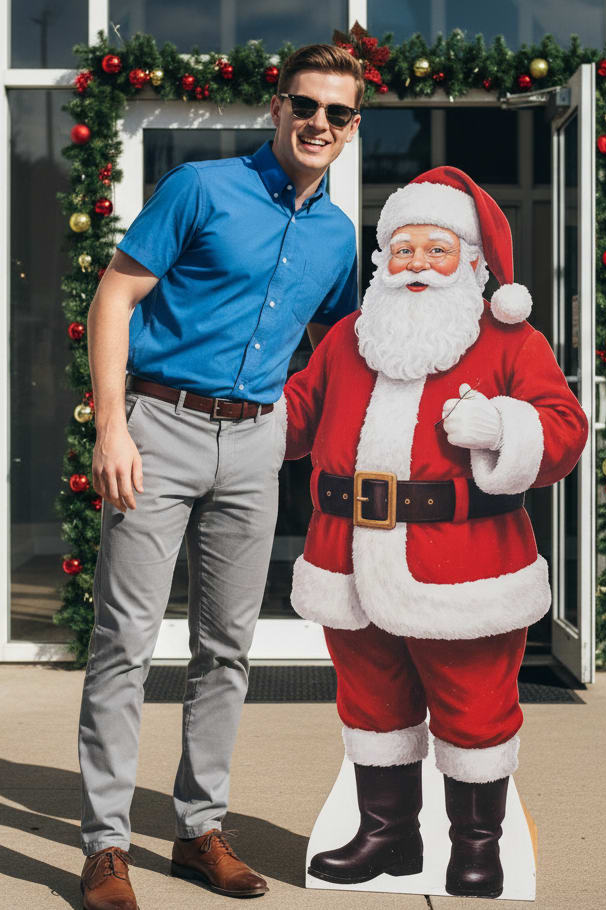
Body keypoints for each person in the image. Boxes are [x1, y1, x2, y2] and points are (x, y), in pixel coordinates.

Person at [78, 44, 362, 910]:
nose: (318, 124)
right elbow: (114, 298)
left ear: (352, 129)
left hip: (255, 444)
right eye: (305, 106)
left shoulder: (340, 236)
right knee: (126, 643)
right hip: (157, 429)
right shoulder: (202, 189)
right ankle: (105, 846)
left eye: (337, 114)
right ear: (278, 108)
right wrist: (113, 424)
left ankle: (199, 830)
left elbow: (341, 347)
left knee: (227, 649)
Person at [279, 167, 589, 899]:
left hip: (465, 568)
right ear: (383, 259)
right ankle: (388, 836)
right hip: (349, 561)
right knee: (370, 703)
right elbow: (296, 414)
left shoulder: (510, 339)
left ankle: (476, 845)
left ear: (474, 265)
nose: (416, 263)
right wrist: (229, 422)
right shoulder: (351, 337)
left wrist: (504, 426)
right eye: (404, 248)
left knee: (475, 707)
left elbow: (566, 429)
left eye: (436, 249)